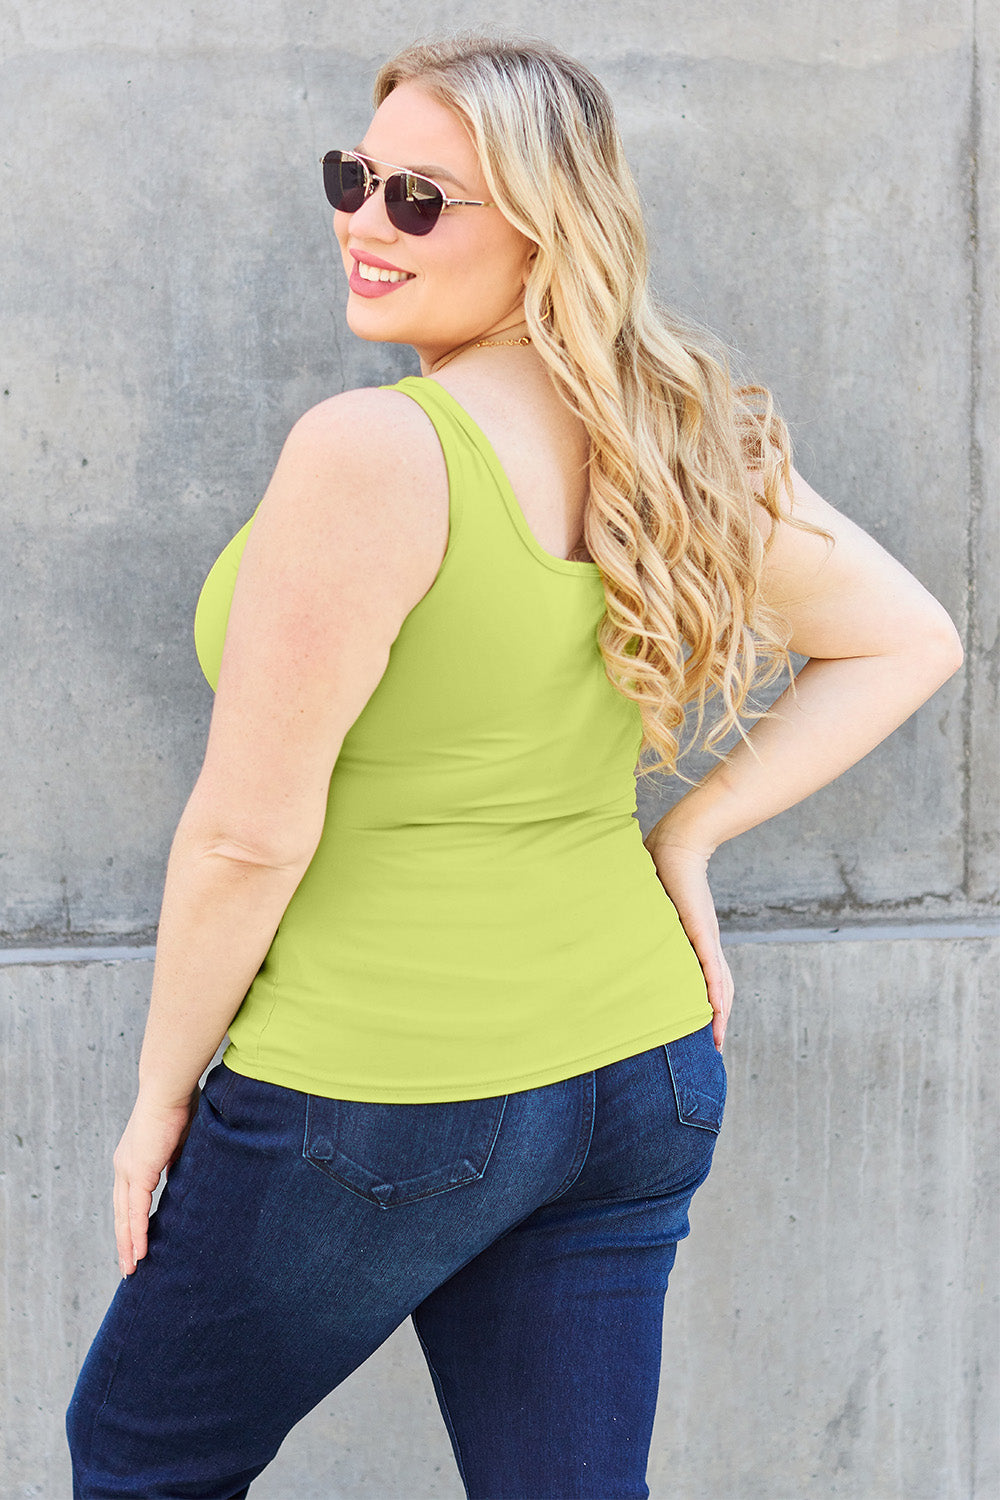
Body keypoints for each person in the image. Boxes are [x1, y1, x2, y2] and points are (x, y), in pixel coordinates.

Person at [65, 30, 964, 1500]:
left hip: (378, 1087)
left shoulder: (373, 453)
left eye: (422, 200)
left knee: (142, 1459)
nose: (364, 220)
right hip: (637, 1072)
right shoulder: (679, 439)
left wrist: (159, 1100)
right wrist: (683, 841)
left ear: (549, 229)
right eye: (354, 177)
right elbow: (907, 638)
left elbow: (245, 838)